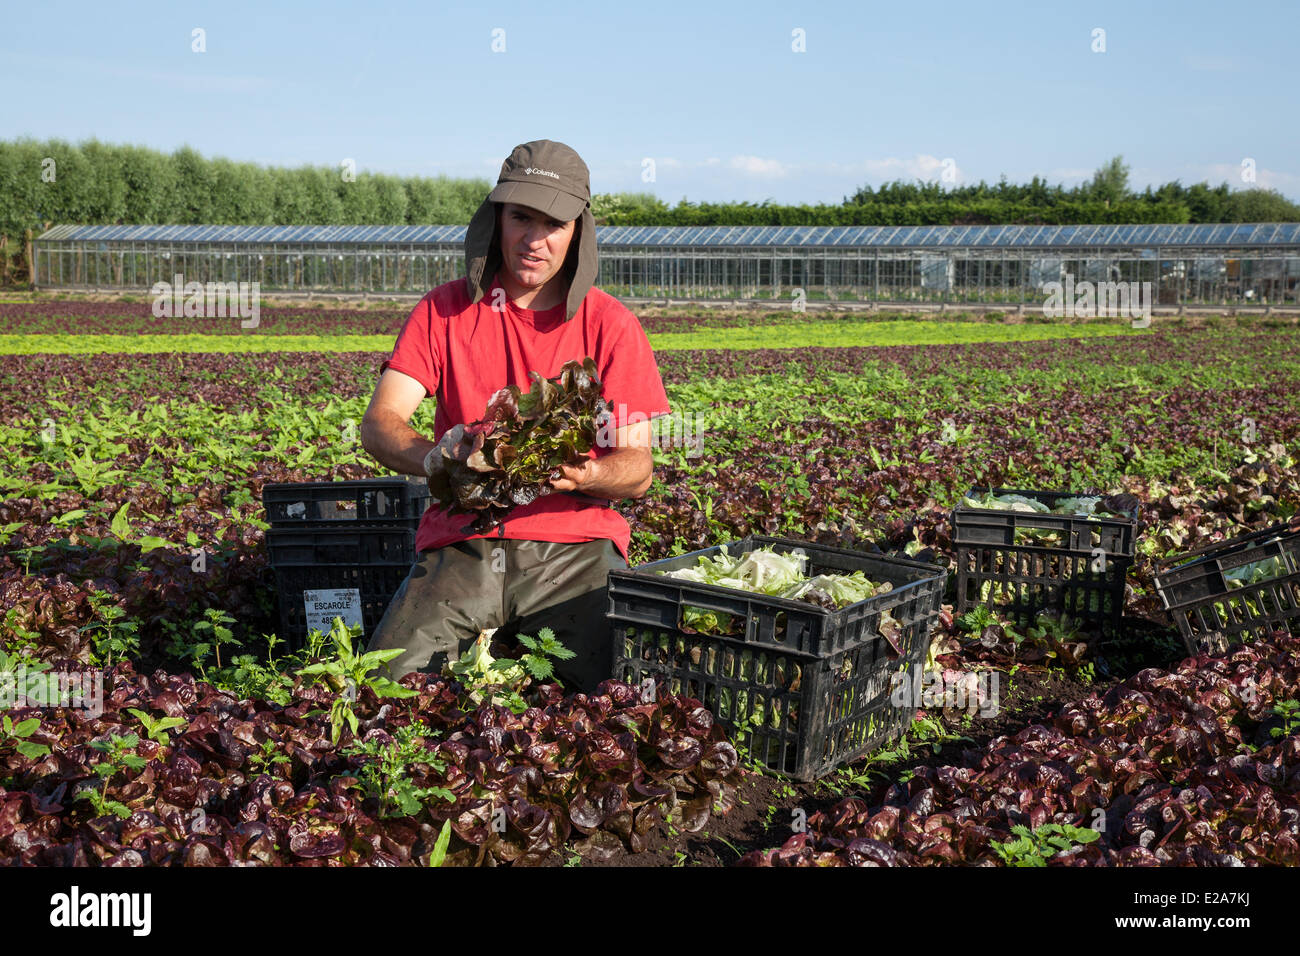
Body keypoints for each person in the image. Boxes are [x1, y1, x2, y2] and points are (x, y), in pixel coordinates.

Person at [359, 139, 671, 693]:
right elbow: (381, 421)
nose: (534, 240)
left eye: (554, 223)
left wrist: (590, 475)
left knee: (611, 698)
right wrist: (435, 458)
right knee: (386, 690)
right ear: (496, 218)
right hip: (466, 538)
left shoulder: (611, 324)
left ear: (579, 231)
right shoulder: (444, 310)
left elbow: (637, 466)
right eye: (520, 217)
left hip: (576, 549)